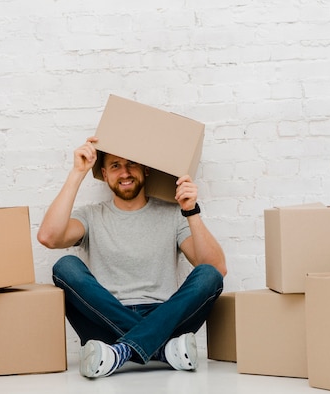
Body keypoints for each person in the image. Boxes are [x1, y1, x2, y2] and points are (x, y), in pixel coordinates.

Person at [37, 136, 227, 378]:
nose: (124, 172)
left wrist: (190, 211)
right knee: (65, 266)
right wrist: (77, 172)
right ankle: (160, 351)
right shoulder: (91, 216)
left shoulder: (173, 215)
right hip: (104, 319)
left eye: (131, 164)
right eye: (115, 166)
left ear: (145, 170)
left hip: (165, 317)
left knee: (208, 274)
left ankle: (120, 352)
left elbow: (217, 268)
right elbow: (48, 237)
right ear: (104, 175)